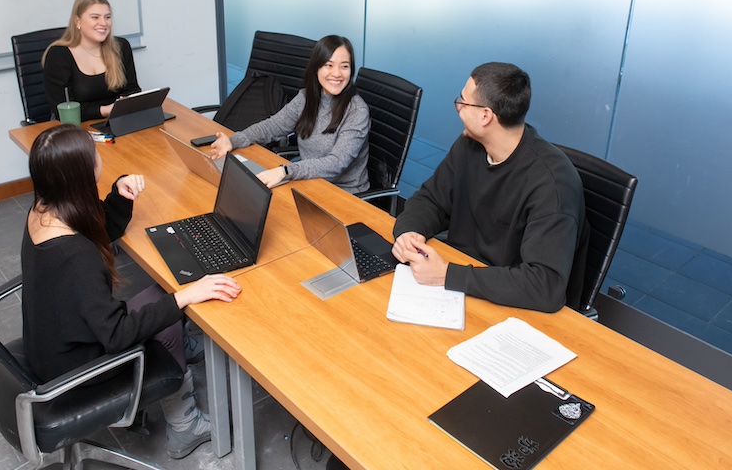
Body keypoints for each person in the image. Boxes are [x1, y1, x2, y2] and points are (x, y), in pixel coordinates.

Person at [21, 123, 240, 459]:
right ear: (80, 175)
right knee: (171, 308)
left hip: (55, 347)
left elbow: (100, 229)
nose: (99, 158)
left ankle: (185, 343)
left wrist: (118, 196)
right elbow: (118, 335)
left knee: (163, 292)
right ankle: (185, 427)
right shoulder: (75, 256)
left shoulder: (43, 211)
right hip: (79, 369)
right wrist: (185, 297)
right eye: (93, 155)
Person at [391, 62, 588, 313]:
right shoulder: (469, 146)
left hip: (517, 309)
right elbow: (432, 199)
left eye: (462, 101)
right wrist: (410, 232)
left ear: (485, 116)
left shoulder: (551, 183)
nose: (458, 108)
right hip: (466, 288)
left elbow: (544, 286)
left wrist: (447, 275)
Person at [208, 35, 371, 193]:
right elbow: (272, 127)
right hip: (309, 183)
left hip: (344, 194)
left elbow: (337, 162)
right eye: (329, 65)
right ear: (316, 68)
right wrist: (234, 141)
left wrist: (286, 171)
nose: (337, 73)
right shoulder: (307, 97)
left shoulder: (357, 111)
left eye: (344, 66)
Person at [42, 0, 141, 121]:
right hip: (76, 127)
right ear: (77, 21)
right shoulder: (59, 55)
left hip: (117, 121)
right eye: (95, 17)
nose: (104, 23)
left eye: (107, 17)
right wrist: (106, 110)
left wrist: (123, 105)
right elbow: (62, 109)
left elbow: (132, 90)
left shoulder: (121, 46)